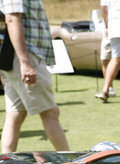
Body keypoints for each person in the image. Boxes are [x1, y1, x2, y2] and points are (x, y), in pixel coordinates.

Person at [0, 0, 70, 153]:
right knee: (50, 112)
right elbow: (11, 19)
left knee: (15, 115)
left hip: (15, 58)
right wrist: (25, 63)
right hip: (24, 57)